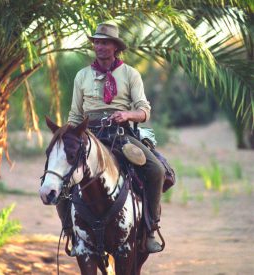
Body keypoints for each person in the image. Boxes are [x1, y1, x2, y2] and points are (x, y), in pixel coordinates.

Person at [66, 22, 165, 254]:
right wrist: (70, 135)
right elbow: (74, 114)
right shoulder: (82, 76)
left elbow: (144, 110)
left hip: (120, 135)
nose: (100, 46)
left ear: (115, 47)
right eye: (97, 42)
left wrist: (127, 114)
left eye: (105, 42)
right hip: (89, 135)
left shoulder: (131, 74)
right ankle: (70, 231)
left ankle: (150, 229)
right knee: (61, 174)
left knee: (157, 170)